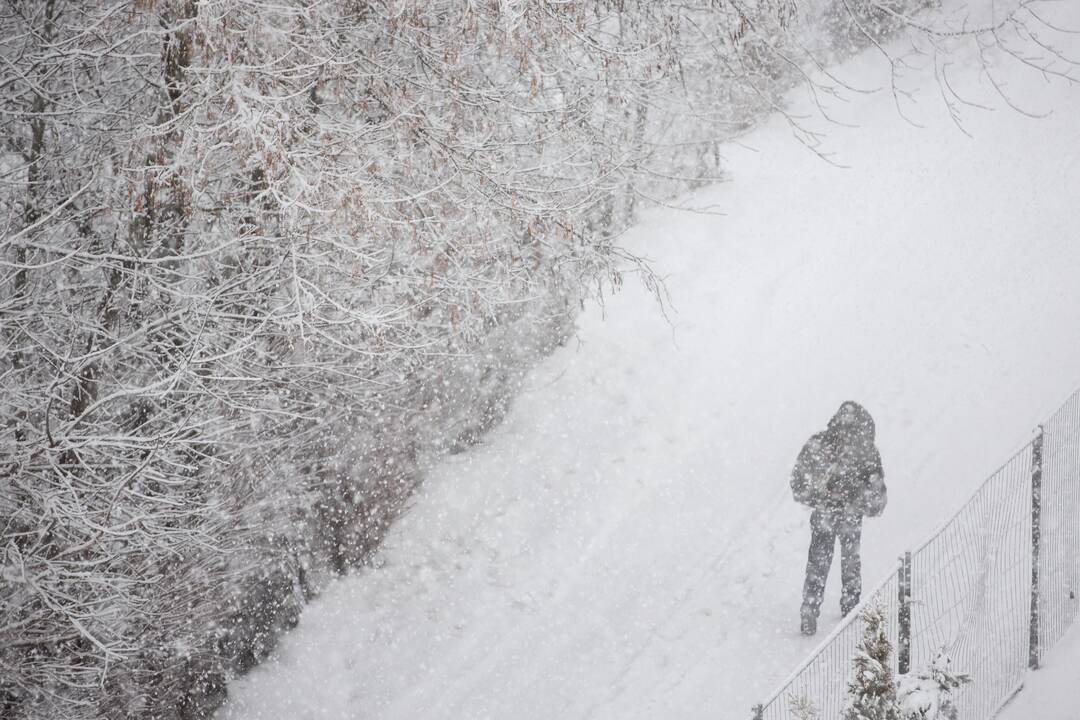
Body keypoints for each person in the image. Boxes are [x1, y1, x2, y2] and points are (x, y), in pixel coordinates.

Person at [790, 401, 887, 636]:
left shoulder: (819, 445)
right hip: (848, 515)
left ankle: (811, 609)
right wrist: (858, 500)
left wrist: (819, 495)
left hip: (827, 512)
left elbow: (798, 481)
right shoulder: (866, 452)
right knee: (849, 561)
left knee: (820, 562)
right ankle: (849, 607)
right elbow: (877, 496)